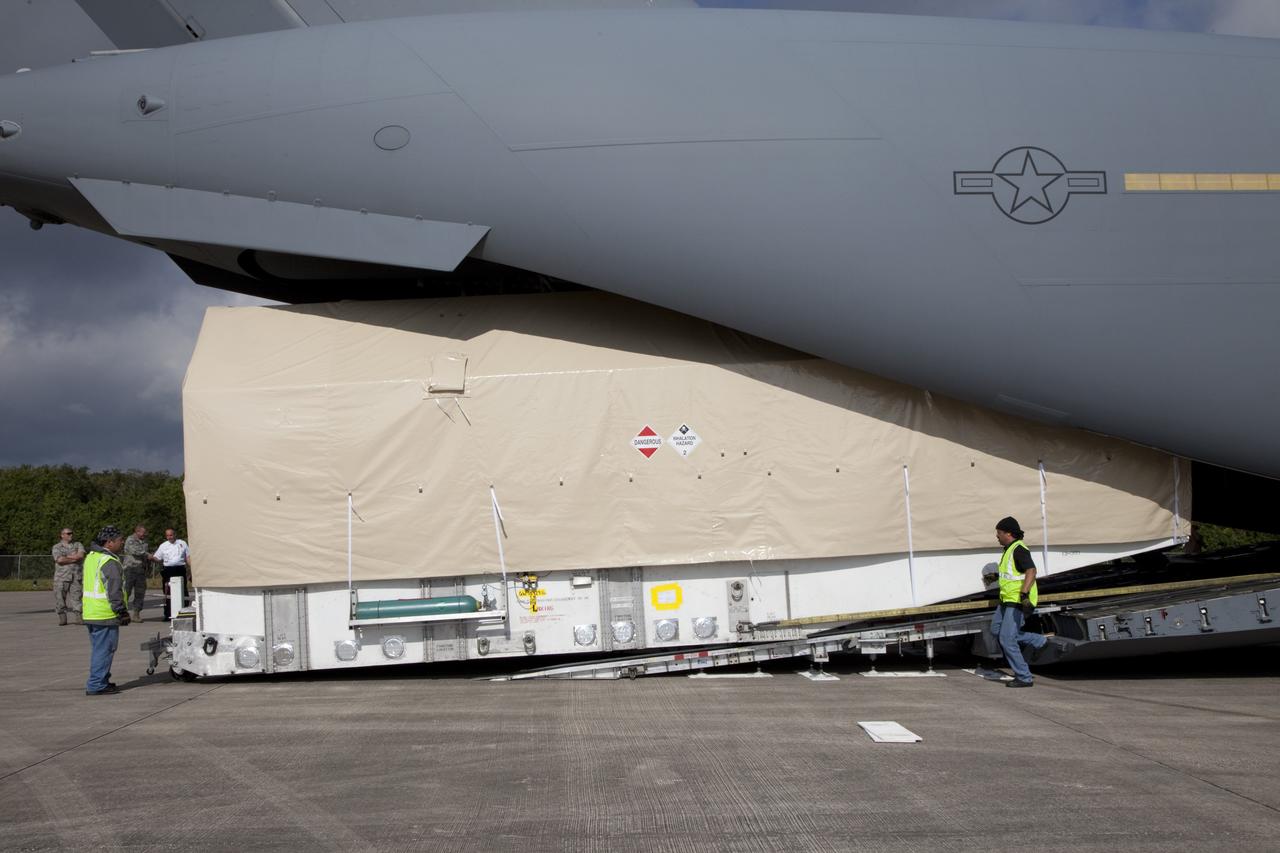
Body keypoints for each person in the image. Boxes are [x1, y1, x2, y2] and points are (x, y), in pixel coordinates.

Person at [983, 516, 1047, 688]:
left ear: (1008, 533)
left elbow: (1031, 571)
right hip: (1006, 600)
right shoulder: (1008, 549)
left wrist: (1024, 594)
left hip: (1018, 601)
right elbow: (1012, 574)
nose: (997, 536)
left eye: (999, 533)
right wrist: (996, 576)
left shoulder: (1019, 549)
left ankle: (1024, 677)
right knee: (996, 630)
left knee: (1007, 639)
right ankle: (1037, 640)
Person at [83, 525, 131, 696]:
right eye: (119, 540)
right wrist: (121, 611)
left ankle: (101, 680)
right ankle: (96, 684)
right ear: (109, 543)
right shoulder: (109, 561)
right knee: (104, 650)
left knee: (99, 649)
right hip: (105, 613)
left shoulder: (91, 557)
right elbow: (114, 589)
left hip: (90, 612)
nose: (122, 542)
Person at [151, 528, 191, 619]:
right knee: (167, 592)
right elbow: (157, 557)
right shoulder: (163, 546)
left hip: (180, 569)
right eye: (168, 536)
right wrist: (151, 558)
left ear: (175, 534)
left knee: (183, 590)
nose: (170, 537)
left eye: (171, 535)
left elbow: (188, 556)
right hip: (168, 570)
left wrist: (192, 567)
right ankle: (168, 614)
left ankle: (184, 612)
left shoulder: (182, 543)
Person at [51, 526, 85, 626]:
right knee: (60, 598)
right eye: (68, 533)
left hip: (76, 576)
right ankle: (62, 617)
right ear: (62, 535)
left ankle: (79, 617)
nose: (71, 535)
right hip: (62, 577)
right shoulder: (57, 547)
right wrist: (74, 558)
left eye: (71, 533)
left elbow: (81, 555)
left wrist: (67, 557)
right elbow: (59, 560)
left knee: (77, 597)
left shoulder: (78, 544)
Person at [121, 525, 150, 623]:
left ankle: (136, 614)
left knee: (140, 592)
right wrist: (149, 555)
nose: (144, 534)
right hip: (130, 568)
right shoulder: (130, 540)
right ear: (137, 532)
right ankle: (122, 613)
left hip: (140, 570)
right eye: (142, 532)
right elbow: (135, 551)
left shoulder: (145, 541)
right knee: (126, 591)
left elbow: (145, 555)